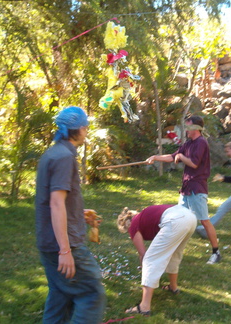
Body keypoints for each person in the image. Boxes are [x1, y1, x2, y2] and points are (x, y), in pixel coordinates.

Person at [35, 106, 106, 323]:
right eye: (86, 126)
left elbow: (56, 200)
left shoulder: (53, 153)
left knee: (61, 295)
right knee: (92, 293)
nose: (86, 130)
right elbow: (56, 203)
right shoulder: (64, 157)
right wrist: (65, 250)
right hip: (65, 246)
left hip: (47, 242)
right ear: (81, 128)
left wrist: (77, 212)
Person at [146, 115, 221, 265]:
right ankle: (173, 250)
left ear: (196, 128)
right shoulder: (188, 143)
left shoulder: (201, 143)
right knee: (178, 220)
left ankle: (216, 252)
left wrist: (181, 156)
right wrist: (156, 157)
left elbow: (193, 163)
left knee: (205, 221)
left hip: (197, 188)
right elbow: (173, 157)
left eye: (188, 126)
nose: (185, 129)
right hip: (186, 189)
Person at [118, 204, 196, 316]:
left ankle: (144, 307)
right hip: (190, 217)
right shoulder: (142, 217)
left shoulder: (133, 226)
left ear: (126, 224)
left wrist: (145, 273)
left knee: (150, 260)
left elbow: (143, 255)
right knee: (174, 254)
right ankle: (173, 287)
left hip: (175, 220)